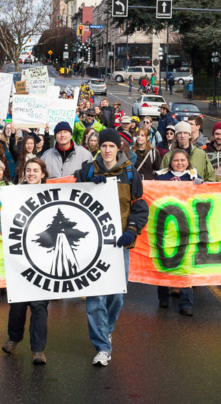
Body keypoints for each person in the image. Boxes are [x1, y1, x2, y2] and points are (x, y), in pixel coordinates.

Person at [74, 128, 148, 367]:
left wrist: (131, 230)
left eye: (111, 146)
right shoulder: (87, 170)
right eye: (103, 146)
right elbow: (72, 201)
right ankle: (102, 347)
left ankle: (106, 329)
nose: (106, 150)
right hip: (92, 244)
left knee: (116, 295)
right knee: (95, 297)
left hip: (119, 244)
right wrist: (87, 186)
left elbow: (140, 206)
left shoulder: (130, 172)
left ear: (119, 148)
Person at [3, 157, 51, 364]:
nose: (31, 174)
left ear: (43, 174)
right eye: (28, 170)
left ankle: (38, 350)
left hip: (44, 261)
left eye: (35, 170)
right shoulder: (13, 196)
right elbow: (3, 227)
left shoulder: (53, 197)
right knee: (18, 305)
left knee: (39, 306)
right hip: (20, 260)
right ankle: (13, 339)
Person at [153, 149, 201, 315]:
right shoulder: (160, 179)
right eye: (176, 160)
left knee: (186, 266)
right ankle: (163, 298)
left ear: (188, 162)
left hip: (187, 229)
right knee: (164, 263)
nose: (180, 163)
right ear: (170, 162)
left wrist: (200, 187)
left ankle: (185, 304)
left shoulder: (194, 179)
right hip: (165, 228)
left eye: (183, 160)